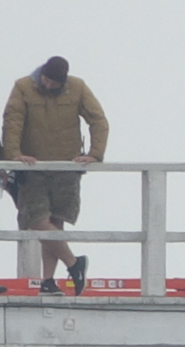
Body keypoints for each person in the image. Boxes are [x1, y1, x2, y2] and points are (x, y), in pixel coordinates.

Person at [2, 57, 107, 297]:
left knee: (55, 223)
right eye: (47, 81)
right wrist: (13, 155)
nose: (49, 86)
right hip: (32, 168)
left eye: (55, 83)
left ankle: (48, 282)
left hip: (66, 167)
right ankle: (74, 263)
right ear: (43, 74)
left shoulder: (77, 87)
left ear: (64, 80)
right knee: (37, 220)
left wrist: (95, 154)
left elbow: (98, 119)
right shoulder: (23, 87)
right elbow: (12, 120)